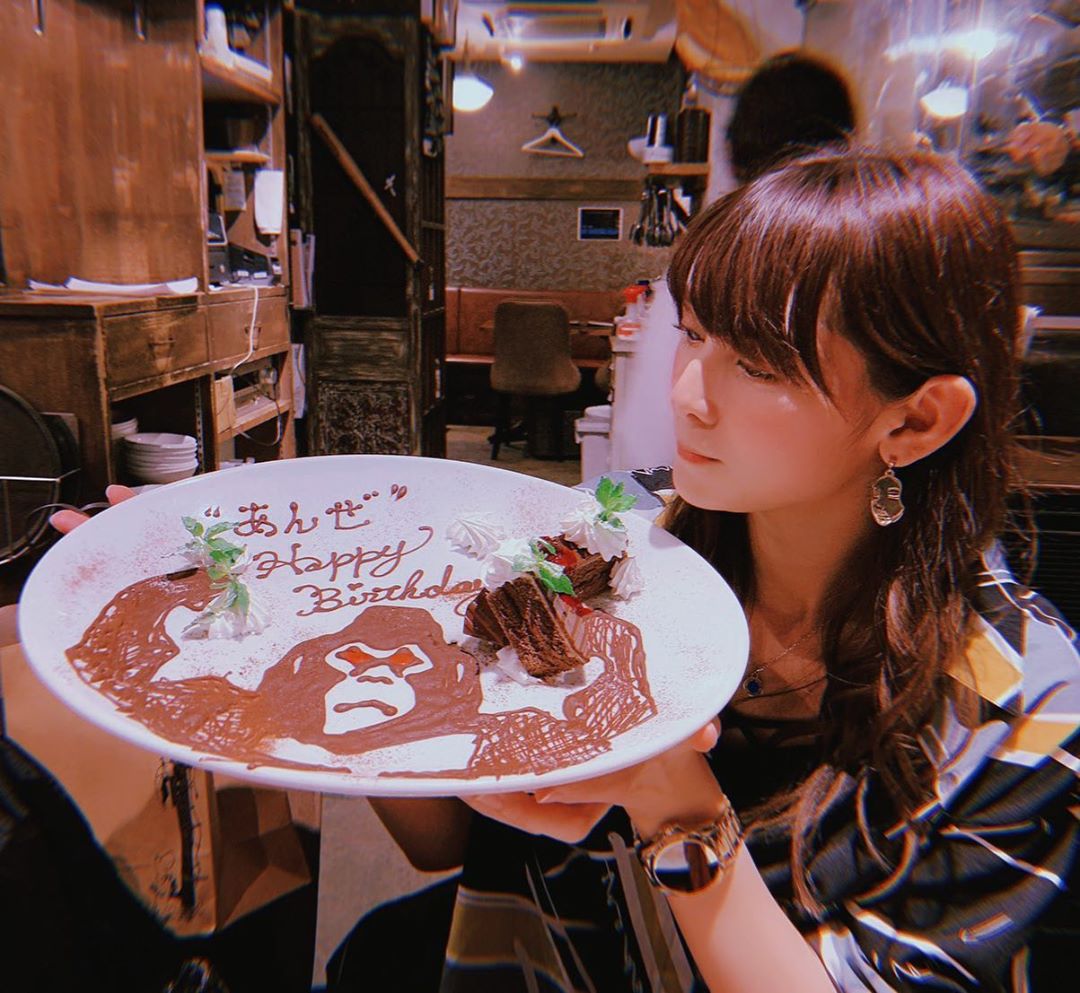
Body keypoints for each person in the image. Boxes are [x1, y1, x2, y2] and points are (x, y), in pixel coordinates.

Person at [365, 147, 1079, 992]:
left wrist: (673, 799)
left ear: (916, 421)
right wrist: (365, 691)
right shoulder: (607, 530)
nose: (686, 395)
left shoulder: (1025, 702)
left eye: (759, 363)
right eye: (695, 334)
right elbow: (439, 843)